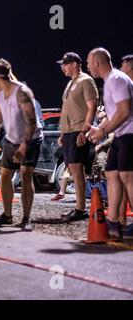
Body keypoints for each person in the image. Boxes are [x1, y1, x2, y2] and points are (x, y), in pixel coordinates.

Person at [0, 58, 44, 231]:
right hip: (12, 139)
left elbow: (32, 122)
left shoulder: (22, 91)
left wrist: (23, 147)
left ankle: (26, 218)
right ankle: (8, 215)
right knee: (5, 175)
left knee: (26, 174)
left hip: (30, 139)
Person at [87, 47, 133, 239]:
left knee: (128, 176)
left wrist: (104, 131)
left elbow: (125, 111)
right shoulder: (109, 81)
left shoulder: (117, 79)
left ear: (97, 63)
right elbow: (115, 114)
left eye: (89, 63)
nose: (88, 67)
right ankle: (112, 221)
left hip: (130, 133)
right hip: (121, 135)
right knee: (112, 173)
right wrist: (98, 130)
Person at [56, 52, 98, 221]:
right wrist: (62, 133)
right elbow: (67, 110)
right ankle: (78, 207)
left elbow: (92, 106)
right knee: (73, 169)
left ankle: (81, 209)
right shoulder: (70, 83)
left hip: (78, 130)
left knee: (77, 169)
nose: (62, 67)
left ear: (74, 64)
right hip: (68, 131)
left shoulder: (85, 81)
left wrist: (84, 131)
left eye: (64, 64)